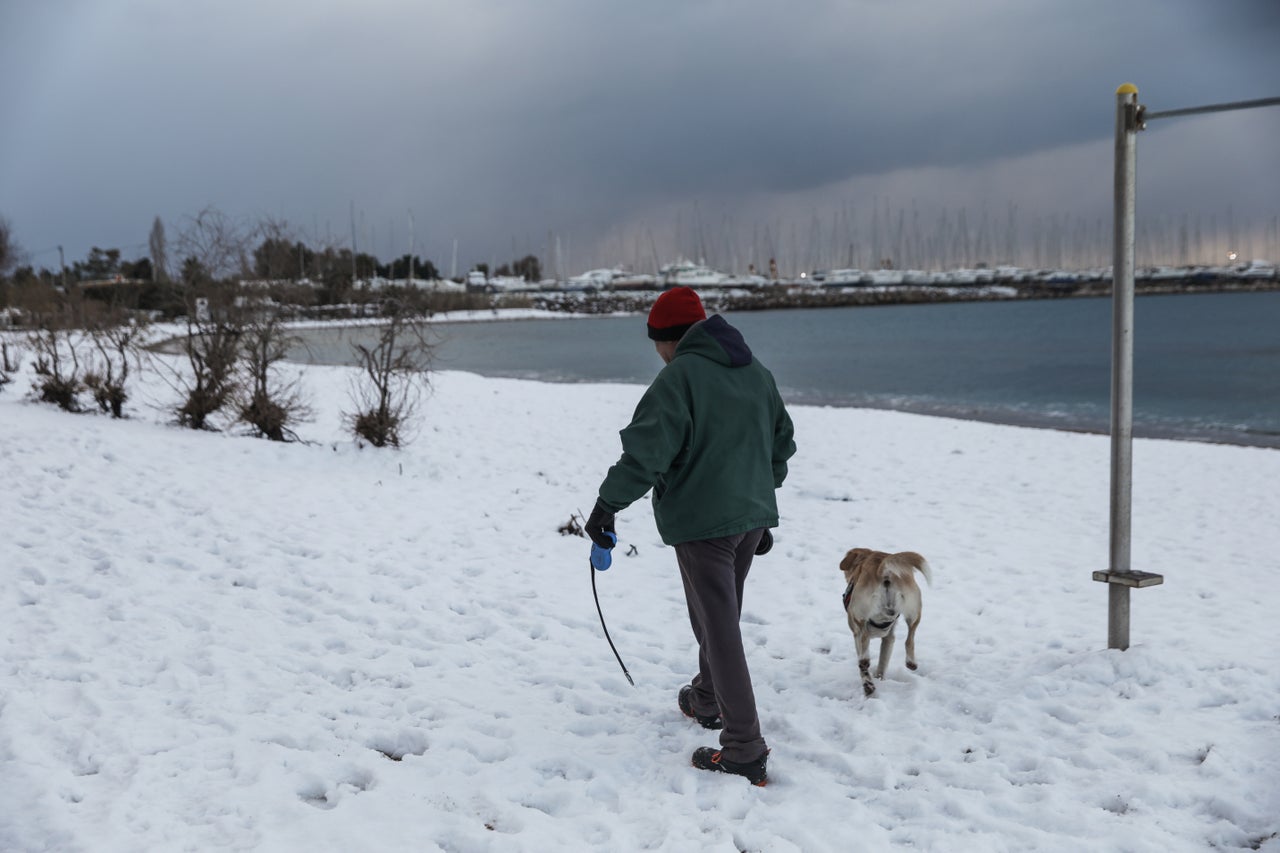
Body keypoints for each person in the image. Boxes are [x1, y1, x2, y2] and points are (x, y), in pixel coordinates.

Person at [585, 286, 796, 786]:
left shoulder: (678, 378)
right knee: (718, 613)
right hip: (748, 520)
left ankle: (744, 747)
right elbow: (780, 444)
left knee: (719, 627)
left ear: (668, 338)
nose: (656, 352)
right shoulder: (755, 372)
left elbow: (644, 457)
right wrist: (759, 508)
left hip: (704, 525)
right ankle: (705, 698)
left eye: (656, 341)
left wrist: (605, 507)